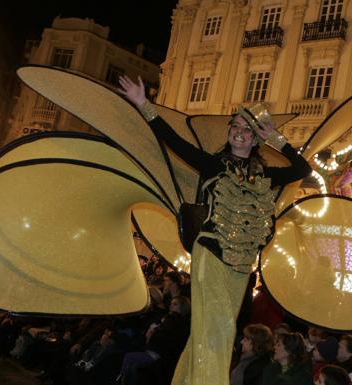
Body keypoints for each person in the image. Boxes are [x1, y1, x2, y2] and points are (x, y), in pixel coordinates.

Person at [118, 75, 311, 385]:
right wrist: (144, 104)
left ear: (255, 139)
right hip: (210, 253)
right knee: (217, 328)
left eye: (247, 130)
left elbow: (303, 170)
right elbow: (175, 143)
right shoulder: (213, 165)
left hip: (241, 266)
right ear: (230, 133)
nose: (240, 133)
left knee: (215, 331)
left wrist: (276, 137)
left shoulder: (265, 175)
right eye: (235, 127)